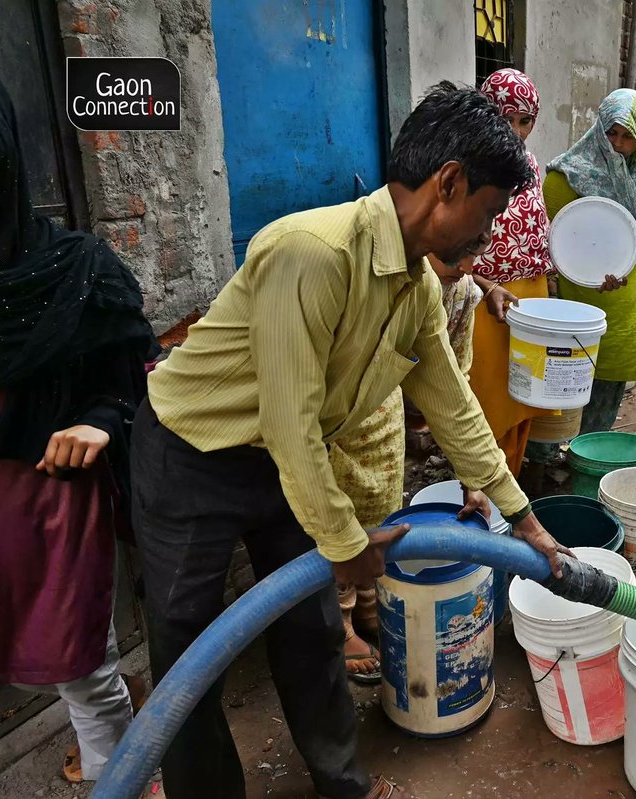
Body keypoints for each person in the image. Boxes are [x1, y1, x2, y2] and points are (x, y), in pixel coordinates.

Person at [132, 82, 569, 799]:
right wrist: (344, 540)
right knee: (191, 651)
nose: (486, 240)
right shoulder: (312, 254)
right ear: (447, 184)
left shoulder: (416, 287)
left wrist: (522, 516)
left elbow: (452, 405)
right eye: (487, 216)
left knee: (311, 630)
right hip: (189, 455)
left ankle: (342, 782)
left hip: (276, 460)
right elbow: (291, 423)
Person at [0, 66, 158, 782]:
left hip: (52, 505)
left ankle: (120, 777)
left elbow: (131, 376)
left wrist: (102, 422)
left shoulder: (74, 270)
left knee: (83, 667)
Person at [330, 256, 484, 685]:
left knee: (381, 512)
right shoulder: (381, 281)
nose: (464, 262)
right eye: (452, 253)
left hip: (384, 411)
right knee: (337, 522)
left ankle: (367, 605)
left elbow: (456, 382)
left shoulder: (464, 293)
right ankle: (340, 625)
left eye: (475, 249)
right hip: (336, 416)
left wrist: (474, 473)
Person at [545, 88, 636, 434]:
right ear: (598, 128)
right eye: (612, 133)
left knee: (608, 385)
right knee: (563, 380)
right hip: (578, 296)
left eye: (628, 136)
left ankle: (592, 449)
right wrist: (565, 280)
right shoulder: (568, 175)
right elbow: (550, 236)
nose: (618, 143)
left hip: (625, 298)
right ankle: (549, 456)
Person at [466, 68, 554, 475]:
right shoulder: (468, 167)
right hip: (484, 298)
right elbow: (456, 246)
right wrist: (486, 286)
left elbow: (539, 229)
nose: (516, 131)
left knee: (525, 392)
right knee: (486, 396)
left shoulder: (532, 165)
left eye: (525, 121)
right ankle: (481, 488)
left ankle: (513, 482)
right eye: (506, 119)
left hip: (531, 291)